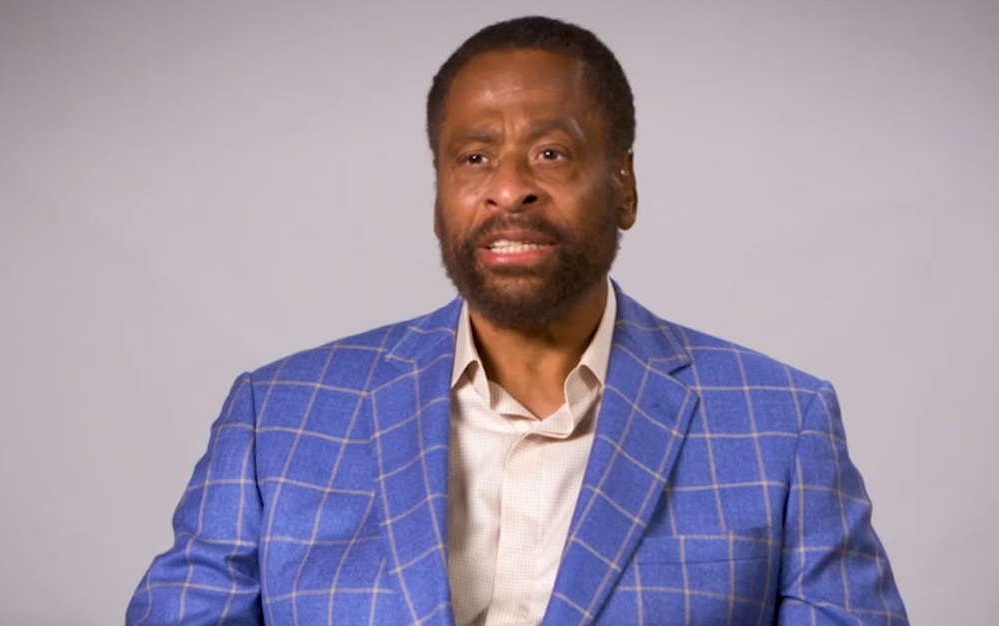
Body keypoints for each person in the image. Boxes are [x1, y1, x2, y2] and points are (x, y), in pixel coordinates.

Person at [127, 15, 907, 626]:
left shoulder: (781, 425)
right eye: (474, 158)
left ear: (625, 186)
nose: (508, 189)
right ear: (439, 193)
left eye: (551, 154)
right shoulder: (278, 419)